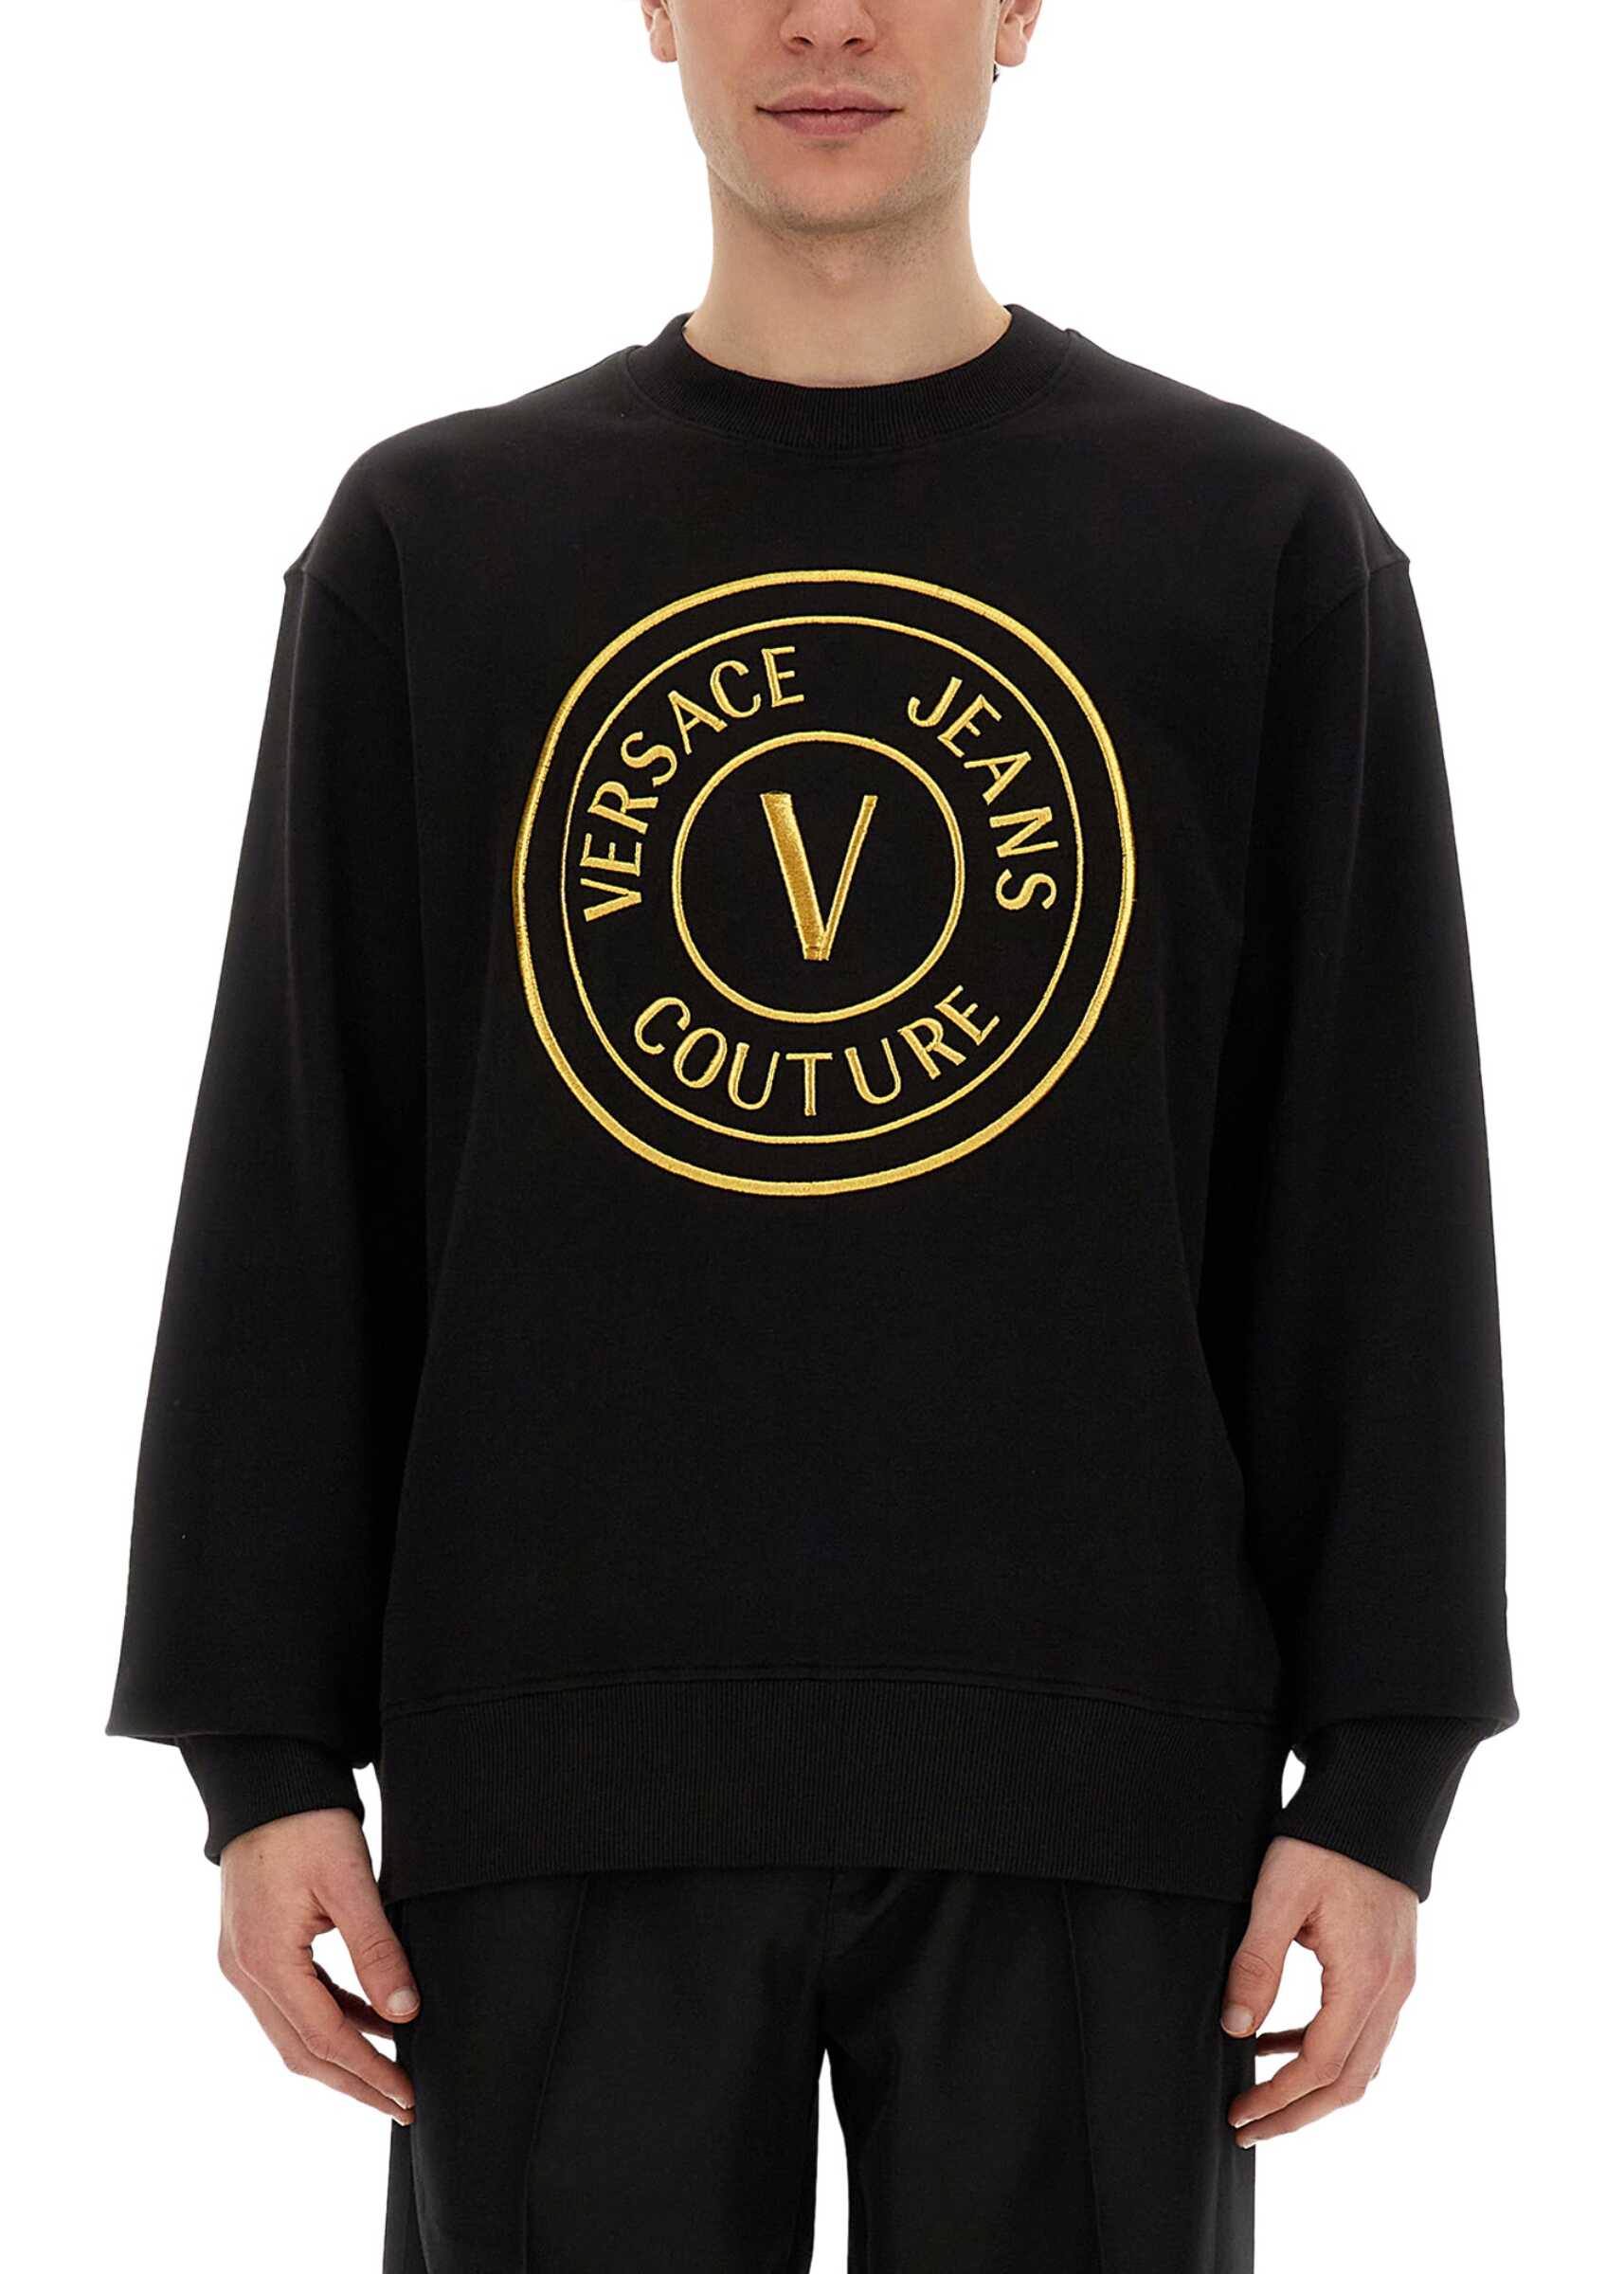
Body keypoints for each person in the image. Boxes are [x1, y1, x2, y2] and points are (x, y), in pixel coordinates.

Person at [105, 4, 1517, 2268]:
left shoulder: (1247, 535)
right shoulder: (439, 540)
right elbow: (301, 1160)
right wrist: (256, 1759)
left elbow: (1364, 1185)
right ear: (652, 10)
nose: (829, 18)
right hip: (556, 1757)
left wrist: (1382, 1772)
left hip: (1099, 1766)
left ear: (1021, 10)